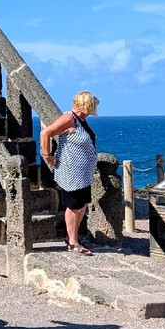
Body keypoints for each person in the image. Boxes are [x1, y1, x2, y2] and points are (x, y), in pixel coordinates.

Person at [40, 91, 100, 255]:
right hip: (71, 172)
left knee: (81, 205)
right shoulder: (69, 118)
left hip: (83, 173)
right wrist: (48, 156)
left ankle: (73, 238)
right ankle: (73, 243)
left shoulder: (82, 121)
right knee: (73, 206)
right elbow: (46, 133)